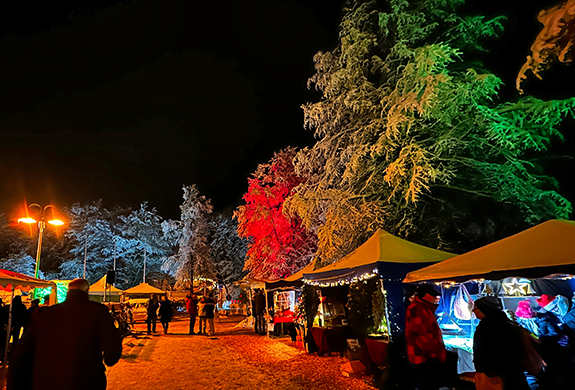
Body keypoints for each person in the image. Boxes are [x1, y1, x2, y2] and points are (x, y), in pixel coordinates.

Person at [7, 278, 122, 390]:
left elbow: (21, 353)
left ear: (68, 291)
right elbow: (111, 352)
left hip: (47, 380)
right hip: (86, 380)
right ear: (87, 291)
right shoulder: (98, 312)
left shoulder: (45, 314)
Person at [473, 296, 531, 390]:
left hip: (499, 375)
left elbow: (489, 351)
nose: (473, 311)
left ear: (485, 309)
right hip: (511, 373)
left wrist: (487, 370)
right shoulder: (505, 323)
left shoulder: (490, 327)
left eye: (475, 309)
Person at [404, 284, 447, 390]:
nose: (436, 299)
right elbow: (420, 335)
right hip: (422, 358)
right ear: (426, 296)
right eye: (434, 296)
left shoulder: (424, 308)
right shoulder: (417, 309)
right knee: (427, 385)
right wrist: (434, 353)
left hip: (426, 357)